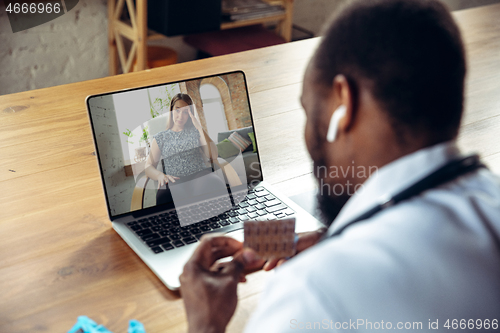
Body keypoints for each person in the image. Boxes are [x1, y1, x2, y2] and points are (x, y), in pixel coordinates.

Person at [180, 0, 500, 332]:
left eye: (309, 111)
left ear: (343, 102)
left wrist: (205, 323)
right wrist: (337, 238)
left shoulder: (313, 293)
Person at [145, 93, 224, 206]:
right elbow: (148, 166)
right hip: (174, 179)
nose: (181, 116)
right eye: (177, 110)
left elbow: (214, 155)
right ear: (171, 110)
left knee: (212, 184)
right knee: (166, 196)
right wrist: (160, 175)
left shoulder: (196, 131)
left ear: (190, 114)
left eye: (185, 112)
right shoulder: (160, 137)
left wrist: (199, 127)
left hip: (199, 174)